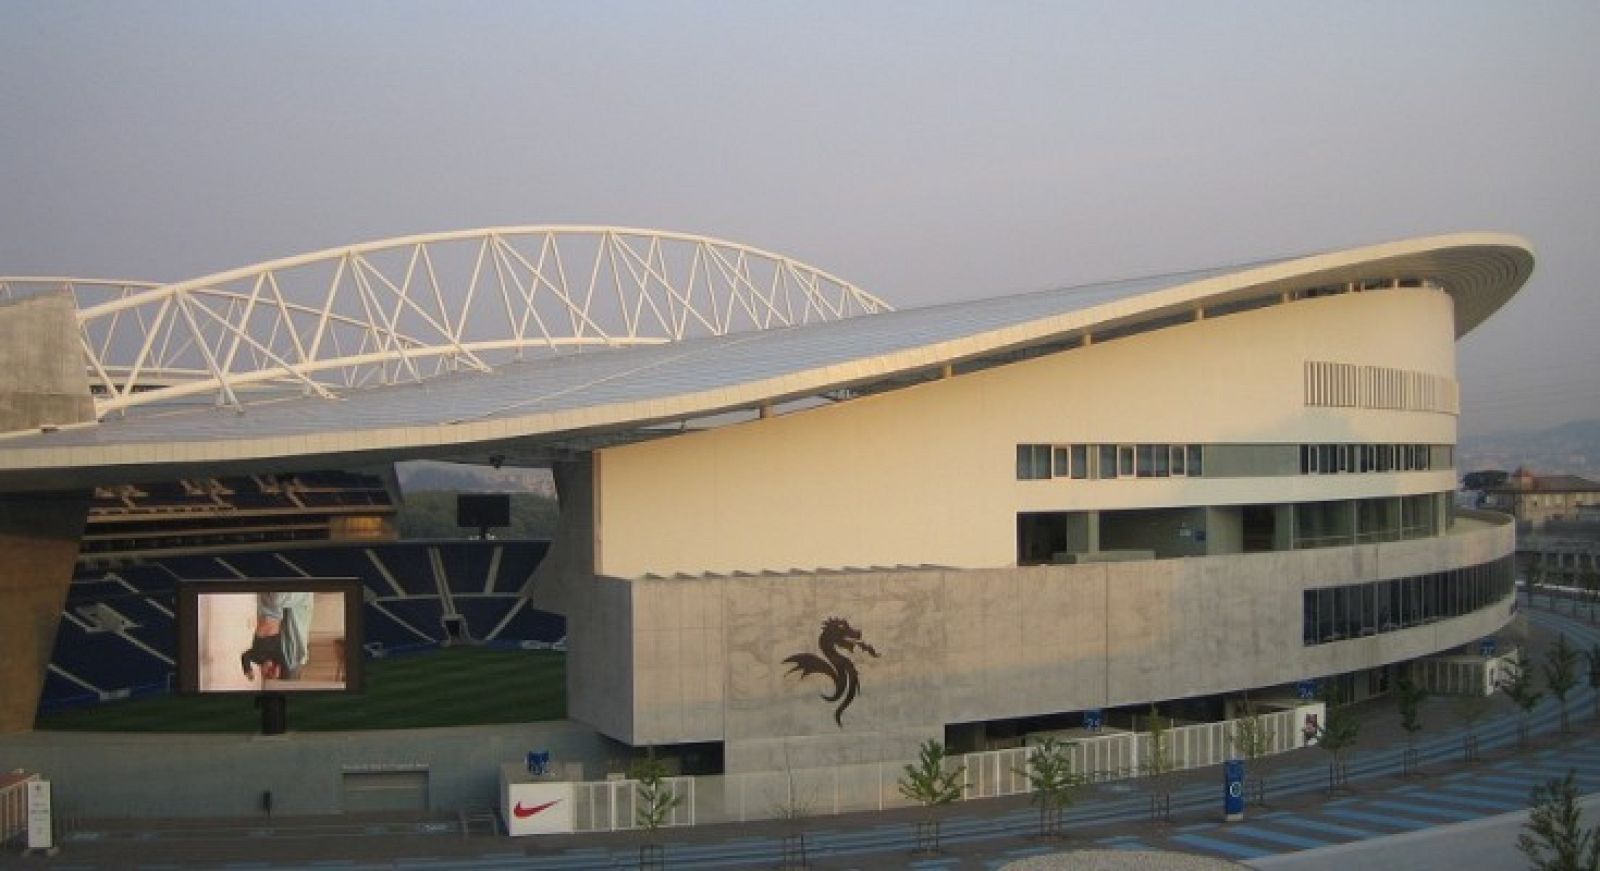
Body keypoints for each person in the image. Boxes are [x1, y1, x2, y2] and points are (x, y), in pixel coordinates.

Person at [240, 592, 315, 681]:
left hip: (265, 611)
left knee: (270, 597)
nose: (269, 670)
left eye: (267, 673)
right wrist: (279, 670)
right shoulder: (279, 655)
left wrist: (248, 671)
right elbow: (289, 665)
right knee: (276, 599)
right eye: (272, 671)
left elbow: (245, 656)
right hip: (275, 613)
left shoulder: (257, 658)